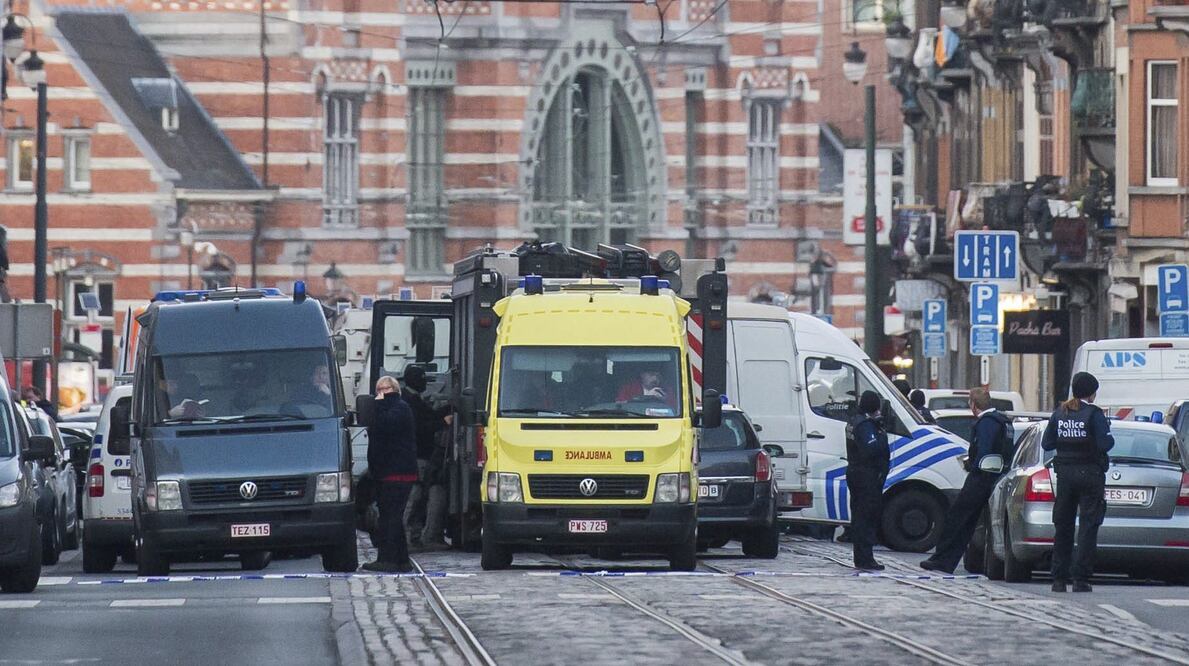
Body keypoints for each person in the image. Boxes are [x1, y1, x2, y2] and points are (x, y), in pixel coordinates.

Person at [920, 387, 1013, 574]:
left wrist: (973, 464)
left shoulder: (987, 423)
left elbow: (984, 450)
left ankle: (942, 559)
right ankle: (945, 561)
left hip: (981, 478)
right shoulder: (1003, 421)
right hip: (996, 476)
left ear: (973, 404)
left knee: (957, 519)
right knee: (969, 523)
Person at [1041, 372, 1114, 593]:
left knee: (1062, 526)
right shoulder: (1094, 414)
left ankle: (1058, 579)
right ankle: (1081, 579)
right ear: (1091, 393)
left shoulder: (1060, 412)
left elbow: (1047, 443)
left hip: (1065, 475)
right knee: (1088, 527)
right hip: (1090, 474)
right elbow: (1104, 444)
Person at [363, 376, 419, 573]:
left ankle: (388, 559)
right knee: (390, 516)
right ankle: (401, 560)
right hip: (387, 472)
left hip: (397, 472)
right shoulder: (390, 408)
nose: (381, 393)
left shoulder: (399, 408)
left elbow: (386, 425)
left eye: (385, 389)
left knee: (390, 518)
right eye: (378, 389)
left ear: (393, 389)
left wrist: (378, 406)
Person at [401, 366, 453, 551]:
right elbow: (421, 426)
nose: (425, 382)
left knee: (419, 497)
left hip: (419, 455)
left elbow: (427, 416)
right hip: (418, 455)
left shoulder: (412, 399)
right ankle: (407, 538)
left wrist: (445, 409)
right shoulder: (409, 401)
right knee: (415, 497)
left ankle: (413, 537)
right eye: (422, 379)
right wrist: (442, 421)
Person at [847, 390, 890, 571]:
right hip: (866, 475)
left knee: (859, 516)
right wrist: (881, 433)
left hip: (856, 472)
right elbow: (871, 449)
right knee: (866, 516)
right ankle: (865, 558)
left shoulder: (854, 421)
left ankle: (862, 556)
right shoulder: (865, 425)